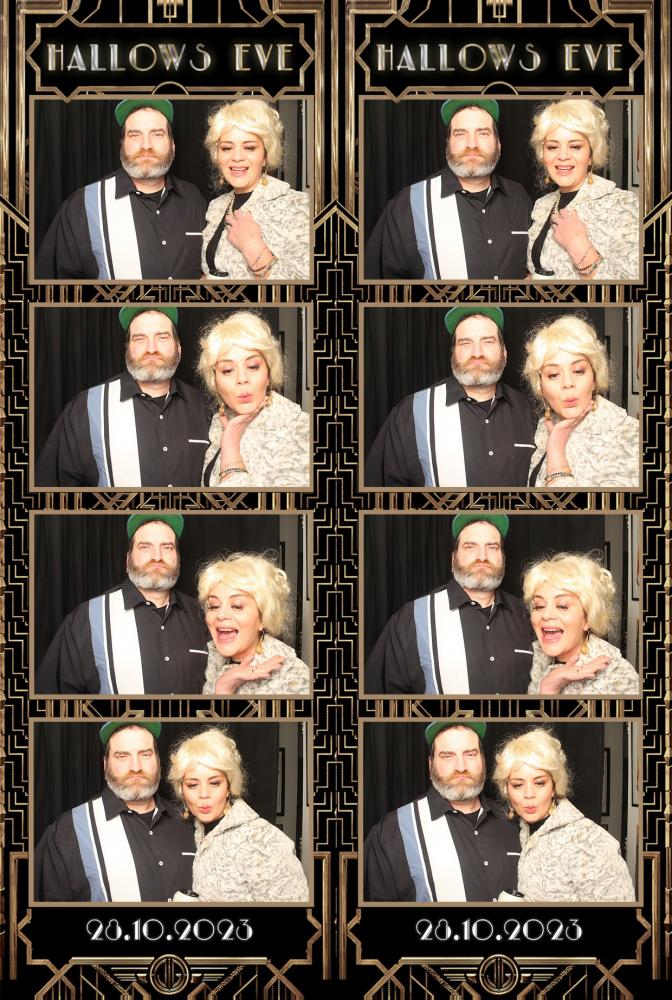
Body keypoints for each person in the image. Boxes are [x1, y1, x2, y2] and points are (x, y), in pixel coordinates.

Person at [35, 307, 211, 488]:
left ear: (178, 347)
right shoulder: (86, 408)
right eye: (140, 339)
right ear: (128, 349)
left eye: (162, 337)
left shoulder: (205, 405)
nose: (151, 349)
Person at [35, 514, 208, 695]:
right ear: (127, 560)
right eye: (145, 547)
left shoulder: (204, 615)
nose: (157, 557)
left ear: (178, 559)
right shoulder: (87, 619)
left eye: (167, 547)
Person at [36, 99, 206, 280]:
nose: (146, 145)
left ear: (173, 145)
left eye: (157, 134)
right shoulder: (82, 206)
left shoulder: (193, 197)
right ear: (122, 145)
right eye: (134, 135)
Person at [365, 306, 535, 487]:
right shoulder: (411, 413)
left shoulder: (531, 410)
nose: (477, 353)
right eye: (465, 343)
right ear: (453, 354)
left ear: (504, 352)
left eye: (488, 341)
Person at [365, 514, 533, 695]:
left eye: (492, 547)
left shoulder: (528, 615)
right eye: (470, 547)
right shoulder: (411, 619)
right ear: (453, 559)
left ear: (503, 558)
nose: (482, 557)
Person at [365, 99, 532, 280]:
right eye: (460, 134)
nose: (472, 144)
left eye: (483, 133)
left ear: (498, 144)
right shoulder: (408, 204)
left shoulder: (519, 196)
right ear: (448, 144)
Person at [36, 722, 195, 901]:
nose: (135, 767)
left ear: (158, 761)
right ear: (106, 764)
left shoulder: (189, 819)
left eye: (145, 754)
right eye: (122, 756)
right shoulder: (68, 831)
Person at [365, 722, 520, 902]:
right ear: (431, 764)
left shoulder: (513, 818)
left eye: (470, 754)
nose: (461, 767)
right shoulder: (392, 831)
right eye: (447, 756)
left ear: (483, 761)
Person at [493, 728, 636, 901]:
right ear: (506, 790)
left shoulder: (589, 841)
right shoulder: (523, 832)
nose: (529, 794)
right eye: (518, 785)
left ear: (554, 786)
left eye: (539, 783)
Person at [168, 727, 309, 901]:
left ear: (229, 786)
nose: (204, 794)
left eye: (214, 783)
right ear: (181, 790)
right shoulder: (199, 832)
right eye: (193, 785)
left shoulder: (263, 840)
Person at [527, 98, 639, 280]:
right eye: (553, 147)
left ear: (591, 155)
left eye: (575, 146)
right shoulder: (542, 205)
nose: (563, 156)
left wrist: (577, 244)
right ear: (543, 154)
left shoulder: (623, 204)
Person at [524, 314, 639, 488]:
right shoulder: (543, 427)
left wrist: (556, 458)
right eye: (553, 375)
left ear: (594, 378)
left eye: (578, 371)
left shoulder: (629, 434)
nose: (568, 383)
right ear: (541, 387)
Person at [201, 99, 310, 280]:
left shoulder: (298, 205)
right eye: (227, 148)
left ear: (266, 155)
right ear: (217, 155)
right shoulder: (216, 206)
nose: (237, 157)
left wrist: (252, 247)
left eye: (249, 147)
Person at [197, 311, 310, 487]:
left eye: (252, 366)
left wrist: (231, 449)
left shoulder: (299, 429)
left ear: (268, 374)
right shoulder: (218, 422)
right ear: (215, 382)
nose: (242, 378)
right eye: (228, 370)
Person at [523, 553, 639, 696]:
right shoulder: (529, 657)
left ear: (588, 618)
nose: (546, 615)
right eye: (539, 606)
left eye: (562, 606)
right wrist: (547, 689)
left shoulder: (619, 677)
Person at [199, 553, 309, 696]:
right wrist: (223, 689)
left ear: (262, 618)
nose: (221, 615)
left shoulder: (293, 677)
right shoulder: (203, 659)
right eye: (214, 606)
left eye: (237, 606)